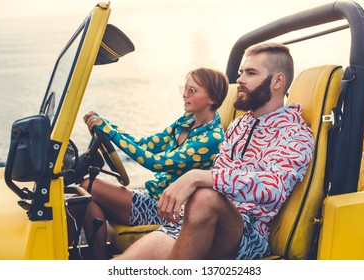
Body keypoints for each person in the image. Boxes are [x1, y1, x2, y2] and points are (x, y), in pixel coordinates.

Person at [113, 42, 314, 260]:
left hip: (249, 235)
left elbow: (273, 188)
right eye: (241, 72)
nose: (240, 80)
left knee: (205, 197)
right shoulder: (239, 126)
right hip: (198, 216)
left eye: (251, 73)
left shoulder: (295, 134)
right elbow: (220, 172)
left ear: (277, 81)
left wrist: (199, 177)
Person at [80, 67, 229, 259]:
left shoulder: (212, 138)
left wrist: (109, 131)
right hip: (152, 196)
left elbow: (156, 162)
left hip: (166, 209)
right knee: (86, 190)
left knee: (87, 186)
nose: (185, 94)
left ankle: (98, 260)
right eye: (185, 88)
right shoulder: (186, 121)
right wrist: (107, 126)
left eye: (193, 90)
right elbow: (146, 145)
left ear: (212, 99)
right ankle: (97, 258)